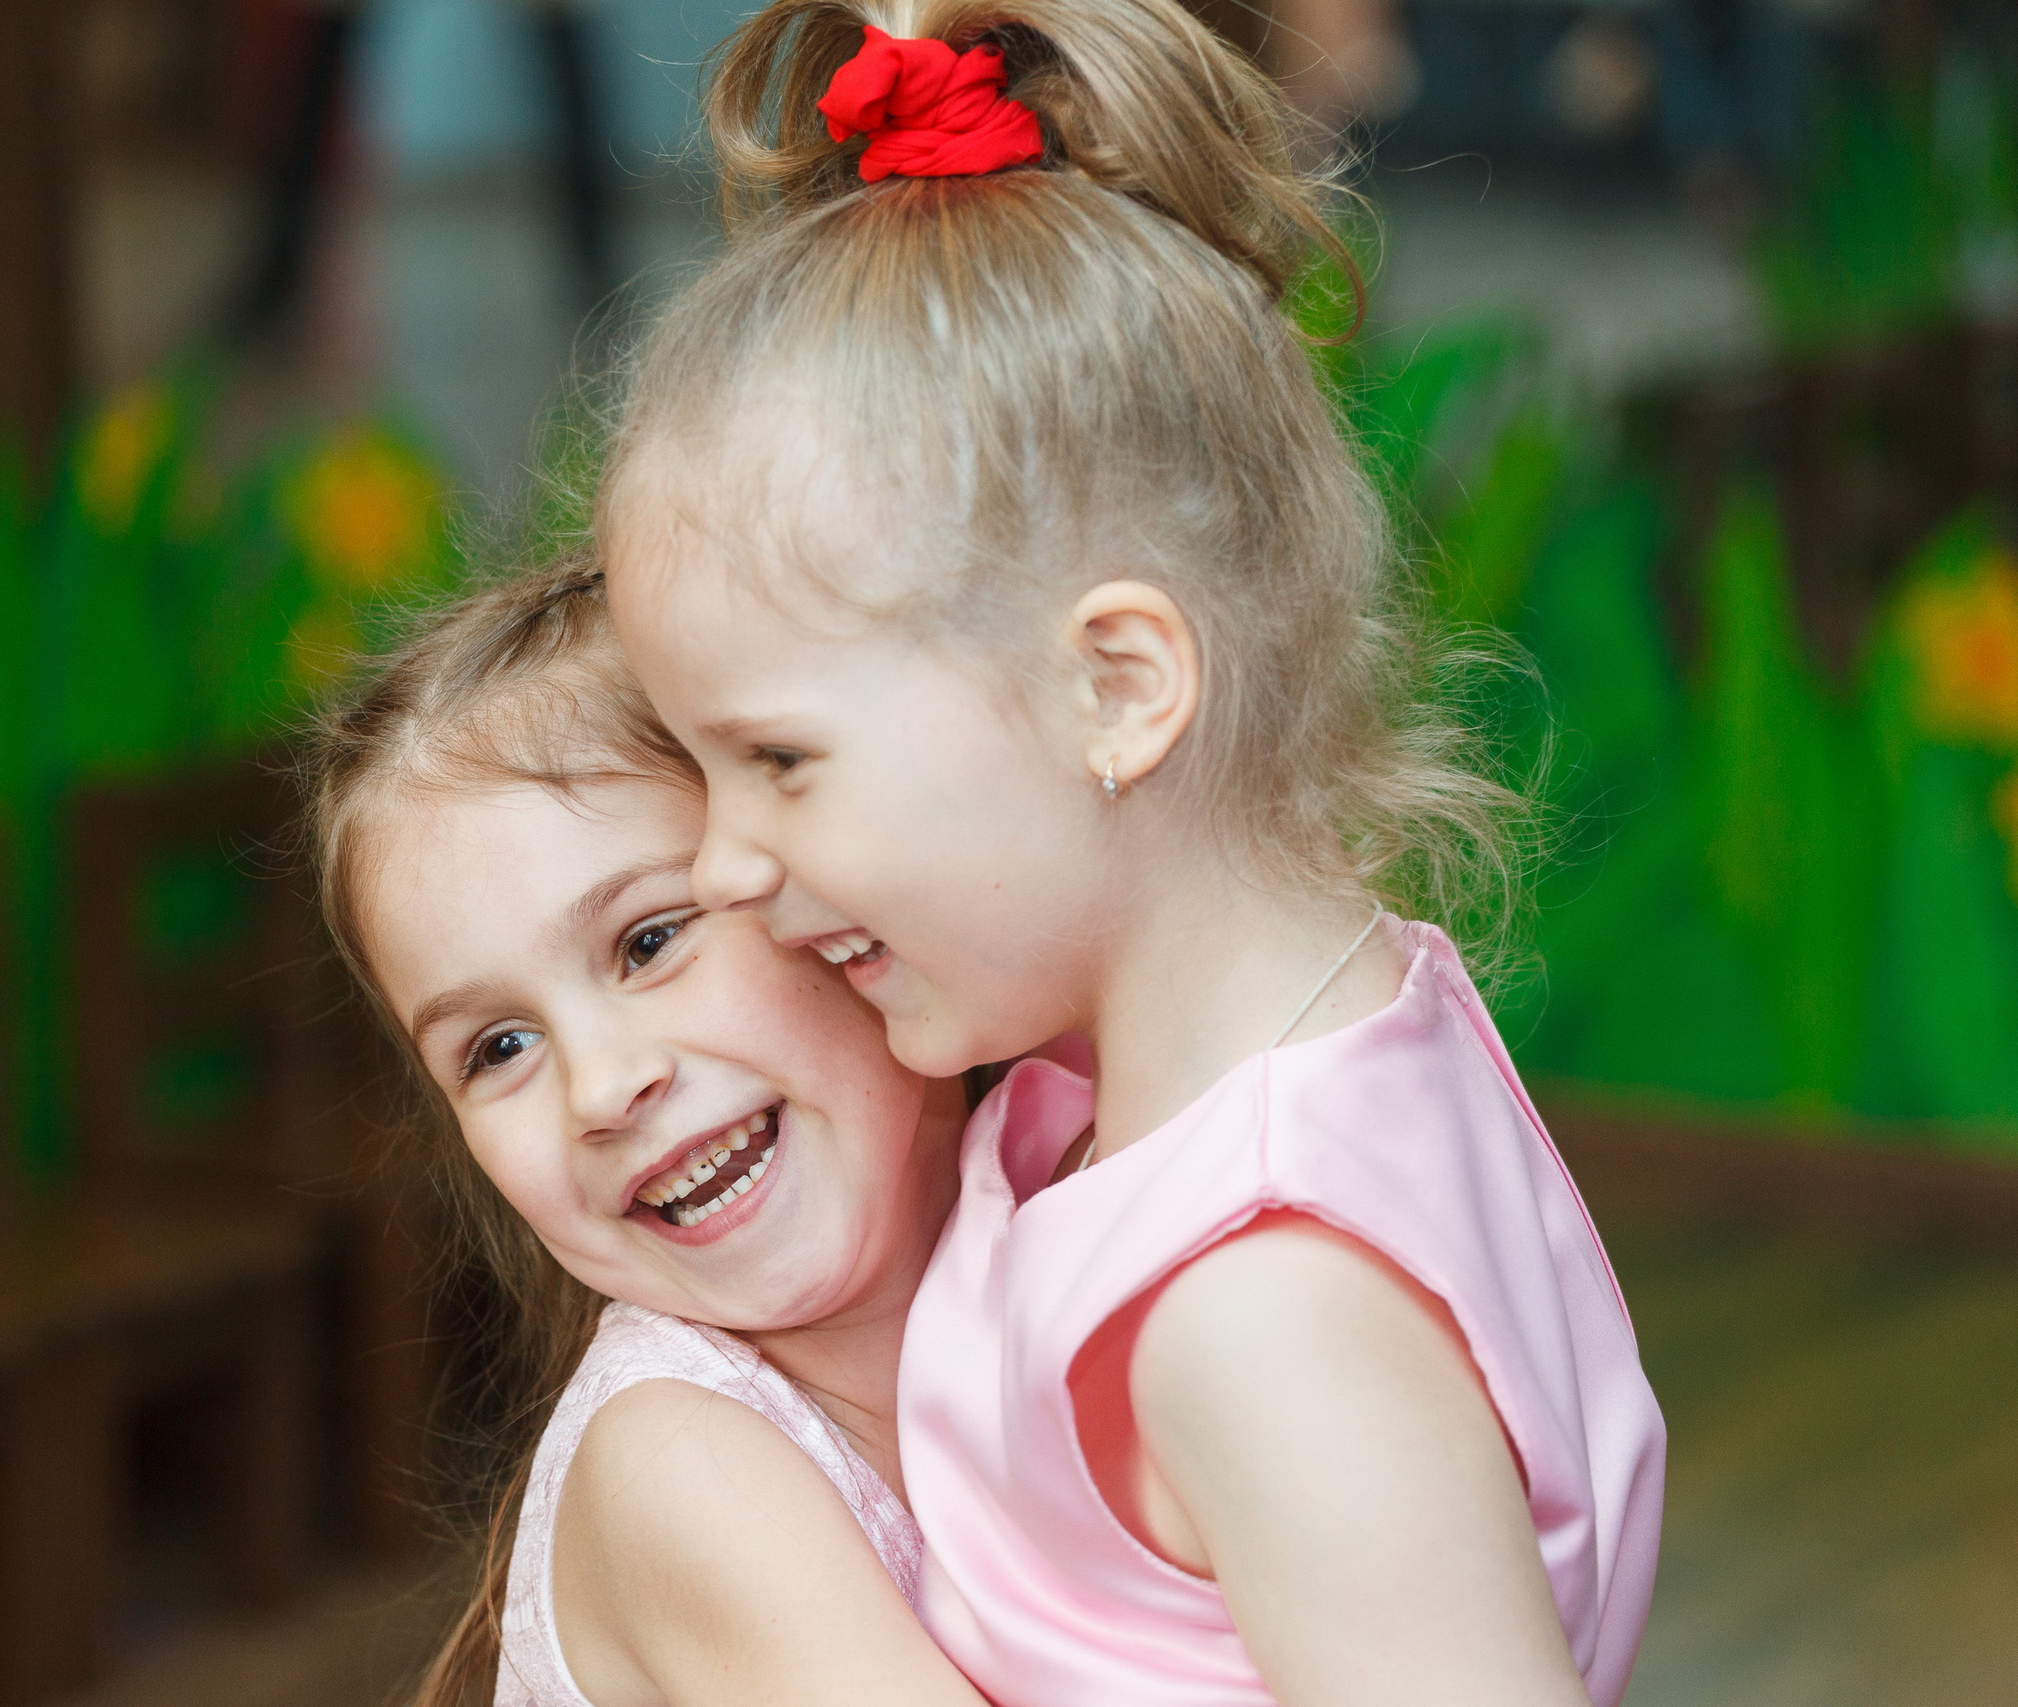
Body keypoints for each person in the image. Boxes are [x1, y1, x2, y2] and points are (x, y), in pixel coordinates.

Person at [596, 4, 1667, 1704]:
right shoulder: (1238, 1065)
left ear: (1118, 686)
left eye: (780, 761)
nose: (724, 862)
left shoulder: (1262, 1308)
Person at [301, 558, 995, 1707]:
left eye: (647, 941)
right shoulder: (678, 1467)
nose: (600, 1088)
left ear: (839, 883)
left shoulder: (1081, 1197)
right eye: (497, 1050)